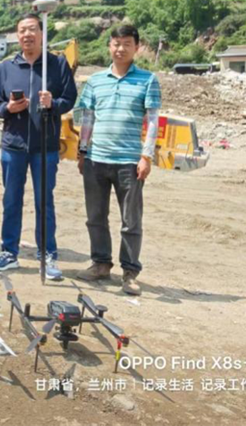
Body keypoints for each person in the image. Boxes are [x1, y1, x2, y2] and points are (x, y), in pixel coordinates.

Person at [75, 25, 161, 296]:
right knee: (95, 217)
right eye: (116, 43)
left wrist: (146, 156)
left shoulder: (148, 80)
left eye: (126, 43)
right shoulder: (95, 81)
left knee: (131, 220)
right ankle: (100, 264)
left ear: (137, 47)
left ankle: (129, 272)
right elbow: (87, 117)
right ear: (109, 46)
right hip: (96, 160)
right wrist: (83, 151)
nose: (120, 48)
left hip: (129, 162)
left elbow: (153, 120)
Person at [0, 13, 76, 277]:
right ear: (17, 36)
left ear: (42, 33)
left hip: (45, 146)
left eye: (32, 29)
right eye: (22, 30)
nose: (27, 35)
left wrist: (53, 103)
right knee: (11, 200)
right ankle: (9, 252)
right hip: (13, 146)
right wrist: (9, 108)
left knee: (44, 202)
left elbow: (70, 98)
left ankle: (47, 255)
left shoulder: (56, 64)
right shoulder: (7, 67)